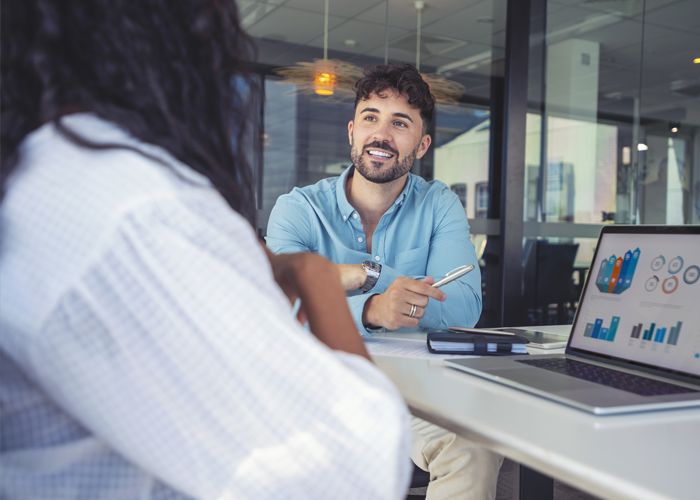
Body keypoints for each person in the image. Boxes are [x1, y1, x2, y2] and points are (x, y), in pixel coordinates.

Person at [0, 2, 412, 499]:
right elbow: (351, 468)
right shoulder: (135, 207)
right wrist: (321, 283)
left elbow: (460, 299)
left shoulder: (43, 175)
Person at [266, 63, 503, 500]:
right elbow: (272, 310)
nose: (382, 135)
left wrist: (363, 277)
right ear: (352, 131)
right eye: (371, 118)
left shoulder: (439, 204)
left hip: (416, 391)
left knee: (473, 447)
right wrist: (373, 307)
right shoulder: (298, 210)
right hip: (317, 387)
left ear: (422, 143)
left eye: (400, 123)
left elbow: (465, 305)